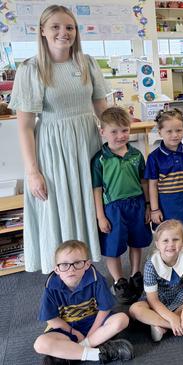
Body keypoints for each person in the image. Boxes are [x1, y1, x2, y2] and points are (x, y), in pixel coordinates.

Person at [11, 5, 110, 273]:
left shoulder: (86, 63)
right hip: (54, 149)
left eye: (69, 27)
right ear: (42, 31)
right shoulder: (31, 69)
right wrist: (32, 171)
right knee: (60, 207)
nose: (63, 33)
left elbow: (102, 108)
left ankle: (90, 269)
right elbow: (25, 126)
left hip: (88, 143)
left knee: (92, 202)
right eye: (55, 26)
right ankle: (65, 274)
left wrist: (120, 128)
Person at [33, 240, 134, 364]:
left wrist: (91, 332)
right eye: (64, 265)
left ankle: (73, 353)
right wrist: (73, 332)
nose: (71, 270)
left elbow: (104, 309)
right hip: (66, 327)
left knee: (122, 319)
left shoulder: (96, 279)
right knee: (40, 344)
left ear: (87, 264)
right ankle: (96, 354)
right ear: (57, 269)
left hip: (94, 322)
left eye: (77, 263)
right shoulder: (51, 286)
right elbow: (51, 319)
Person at [91, 107, 152, 304]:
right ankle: (119, 281)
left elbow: (144, 182)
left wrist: (149, 205)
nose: (120, 135)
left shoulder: (136, 155)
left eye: (124, 130)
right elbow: (97, 190)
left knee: (137, 241)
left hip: (137, 205)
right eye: (114, 131)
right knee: (112, 246)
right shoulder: (99, 160)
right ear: (103, 132)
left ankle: (136, 274)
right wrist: (100, 216)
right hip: (113, 209)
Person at [129, 220, 183, 342]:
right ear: (157, 244)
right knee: (134, 309)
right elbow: (153, 300)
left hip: (179, 294)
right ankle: (182, 325)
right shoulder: (151, 264)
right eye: (165, 241)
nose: (171, 244)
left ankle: (161, 325)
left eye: (176, 239)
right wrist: (171, 318)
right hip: (157, 299)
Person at [145, 108, 183, 251]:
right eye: (169, 131)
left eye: (178, 130)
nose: (174, 135)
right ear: (160, 132)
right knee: (166, 236)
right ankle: (167, 266)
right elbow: (152, 185)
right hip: (166, 205)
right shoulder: (154, 157)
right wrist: (154, 209)